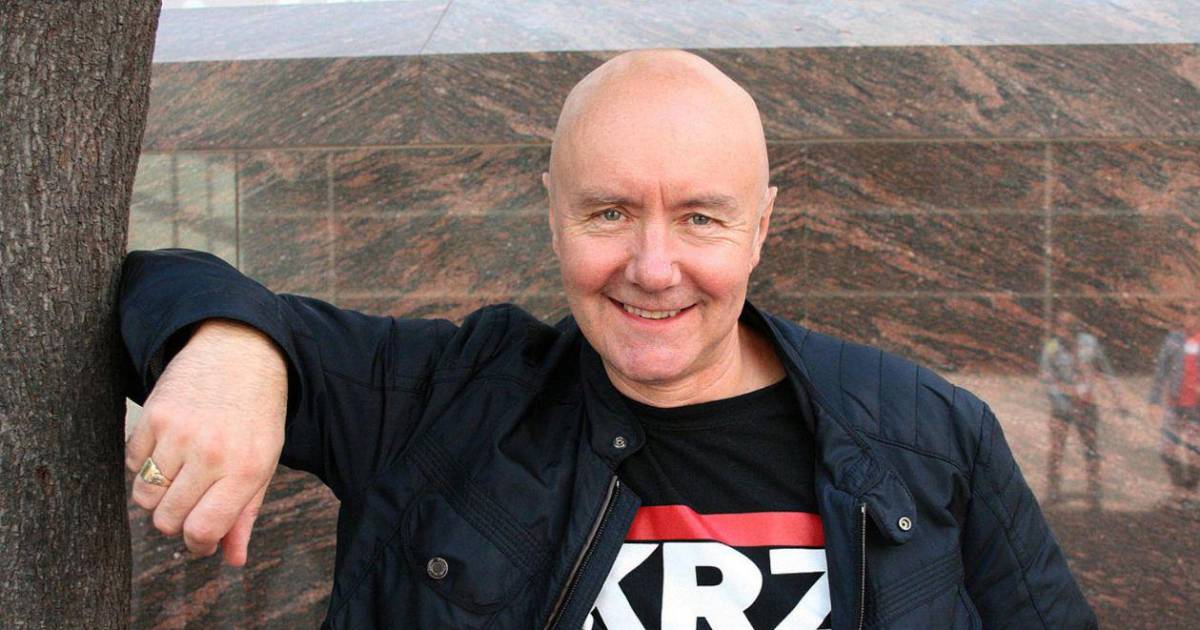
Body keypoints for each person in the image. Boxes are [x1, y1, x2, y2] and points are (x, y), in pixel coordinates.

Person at [121, 50, 1095, 629]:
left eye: (701, 219)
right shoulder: (442, 402)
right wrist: (232, 350)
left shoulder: (932, 435)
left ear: (762, 226)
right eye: (610, 214)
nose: (654, 268)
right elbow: (147, 285)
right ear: (553, 217)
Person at [1038, 311, 1122, 512]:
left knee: (1090, 448)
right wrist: (1064, 395)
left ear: (1075, 328)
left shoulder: (1089, 343)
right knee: (1056, 449)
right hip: (1062, 407)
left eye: (1068, 327)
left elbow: (1105, 369)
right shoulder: (1052, 347)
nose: (1064, 332)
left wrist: (1116, 397)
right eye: (1060, 326)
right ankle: (1053, 491)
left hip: (1086, 405)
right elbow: (1046, 378)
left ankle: (1094, 492)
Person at [1148, 306, 1200, 504]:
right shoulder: (1173, 340)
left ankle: (1190, 491)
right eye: (1185, 312)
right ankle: (1177, 487)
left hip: (1197, 408)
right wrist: (1154, 400)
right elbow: (1161, 370)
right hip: (1175, 404)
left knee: (1194, 453)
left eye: (1193, 313)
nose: (1188, 317)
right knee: (1167, 449)